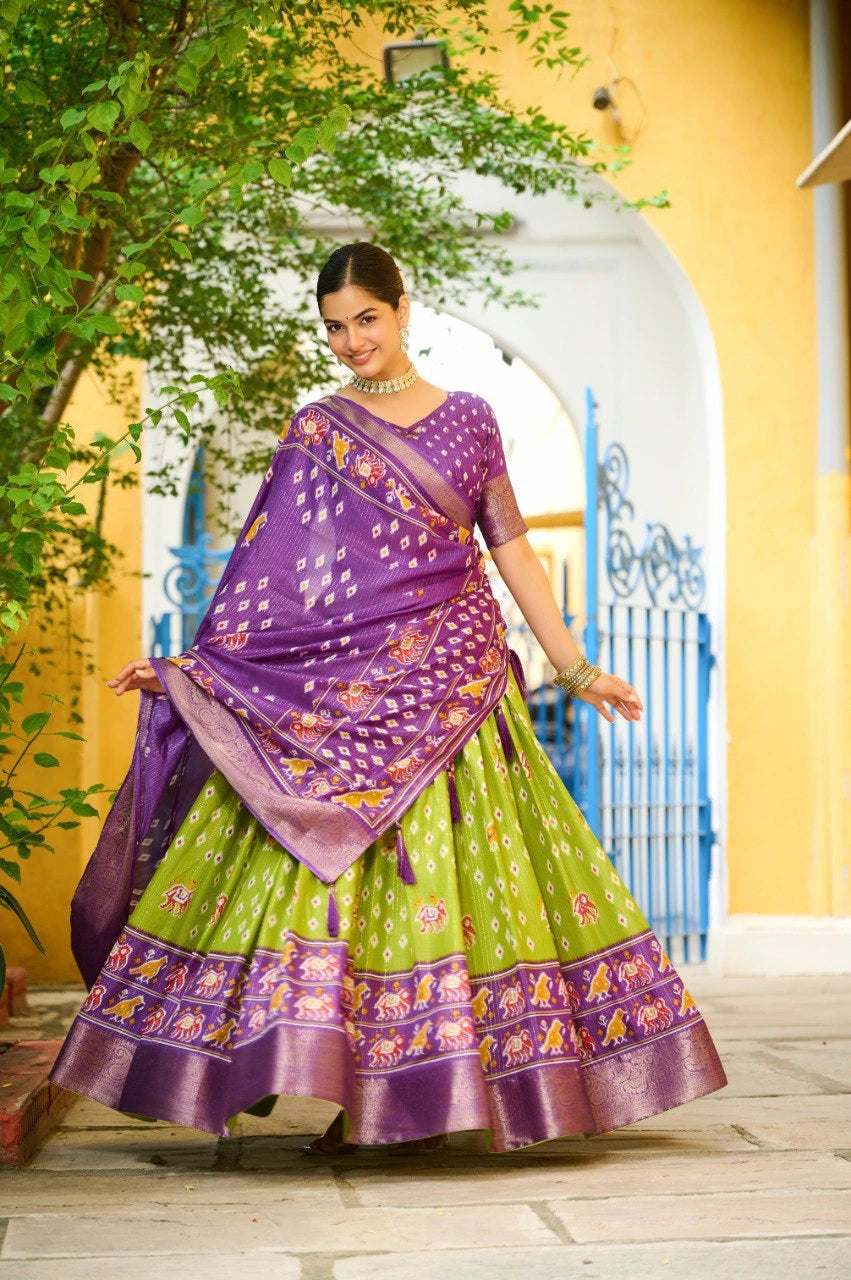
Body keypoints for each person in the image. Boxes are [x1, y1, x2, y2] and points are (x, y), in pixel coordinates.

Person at [49, 242, 727, 1155]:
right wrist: (194, 673)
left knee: (466, 890)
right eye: (334, 326)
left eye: (365, 318)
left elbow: (512, 551)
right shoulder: (317, 431)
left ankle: (436, 1090)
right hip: (345, 703)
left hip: (456, 691)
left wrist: (574, 667)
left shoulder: (471, 421)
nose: (351, 341)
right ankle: (353, 1087)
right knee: (317, 879)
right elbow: (276, 580)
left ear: (402, 309)